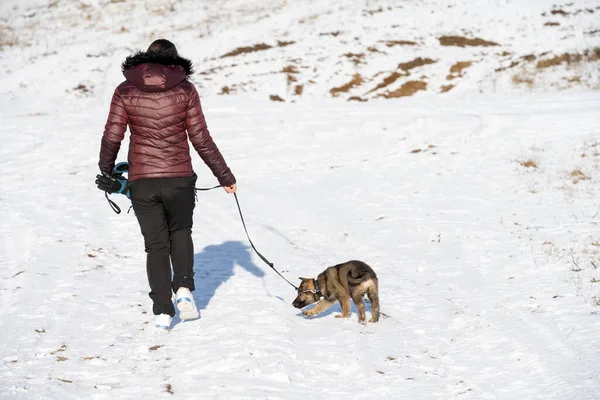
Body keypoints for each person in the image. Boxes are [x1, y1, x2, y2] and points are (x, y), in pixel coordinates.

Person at [96, 39, 237, 331]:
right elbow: (201, 138)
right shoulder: (185, 88)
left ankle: (162, 311)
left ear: (147, 59)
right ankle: (183, 289)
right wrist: (225, 176)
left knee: (156, 245)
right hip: (179, 179)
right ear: (174, 62)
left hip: (143, 182)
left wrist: (106, 170)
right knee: (181, 232)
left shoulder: (125, 89)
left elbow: (113, 135)